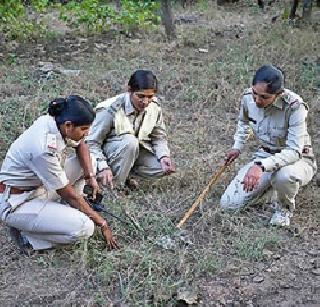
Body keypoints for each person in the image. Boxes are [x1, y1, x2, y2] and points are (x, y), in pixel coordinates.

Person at [0, 95, 118, 251]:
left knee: (92, 164)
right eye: (84, 129)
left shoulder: (56, 121)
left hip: (39, 186)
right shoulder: (43, 149)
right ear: (68, 126)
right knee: (85, 227)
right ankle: (28, 238)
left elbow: (80, 144)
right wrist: (101, 223)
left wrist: (90, 177)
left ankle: (63, 213)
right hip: (18, 202)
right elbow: (67, 193)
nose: (87, 133)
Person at [220, 65, 317, 226]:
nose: (257, 101)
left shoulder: (295, 107)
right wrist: (237, 147)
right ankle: (273, 190)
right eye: (255, 94)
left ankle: (284, 208)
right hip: (265, 155)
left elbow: (294, 151)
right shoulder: (247, 98)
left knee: (284, 176)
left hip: (298, 160)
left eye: (264, 97)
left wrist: (260, 166)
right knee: (229, 204)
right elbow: (243, 122)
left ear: (278, 94)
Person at [86, 70, 175, 190]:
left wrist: (164, 156)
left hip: (134, 153)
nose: (145, 102)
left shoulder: (154, 106)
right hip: (109, 155)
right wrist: (102, 166)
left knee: (161, 167)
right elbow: (91, 143)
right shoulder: (110, 109)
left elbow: (158, 137)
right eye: (140, 96)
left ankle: (127, 176)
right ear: (129, 90)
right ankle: (114, 186)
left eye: (150, 97)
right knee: (130, 142)